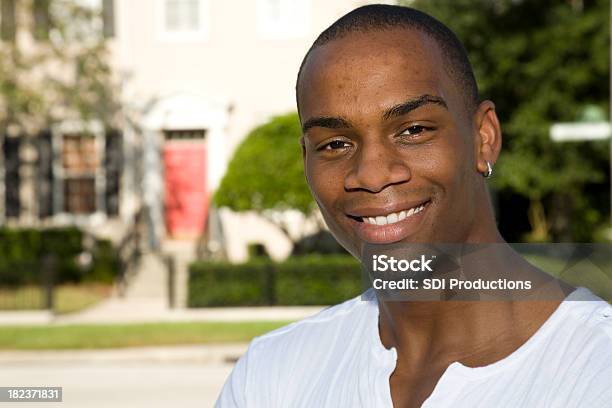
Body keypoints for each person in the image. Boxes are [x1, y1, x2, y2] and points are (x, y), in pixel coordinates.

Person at [216, 4, 612, 407]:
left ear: (483, 137)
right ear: (306, 160)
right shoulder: (271, 376)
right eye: (334, 144)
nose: (371, 175)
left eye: (413, 130)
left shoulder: (595, 366)